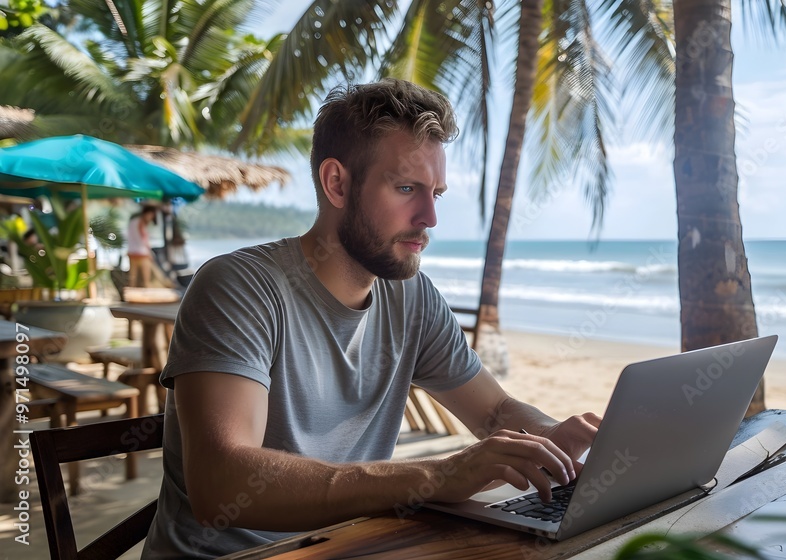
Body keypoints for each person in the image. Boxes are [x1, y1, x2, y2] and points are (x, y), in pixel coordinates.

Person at [140, 79, 600, 559]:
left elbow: (494, 412)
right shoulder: (239, 287)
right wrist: (437, 475)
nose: (428, 218)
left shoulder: (410, 295)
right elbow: (222, 484)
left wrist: (549, 439)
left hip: (345, 548)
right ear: (337, 182)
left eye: (435, 193)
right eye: (406, 188)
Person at [127, 203, 157, 287]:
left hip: (131, 251)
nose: (151, 217)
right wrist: (149, 252)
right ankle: (147, 294)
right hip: (141, 253)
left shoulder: (133, 221)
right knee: (146, 278)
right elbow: (143, 239)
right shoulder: (141, 223)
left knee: (132, 277)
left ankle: (130, 295)